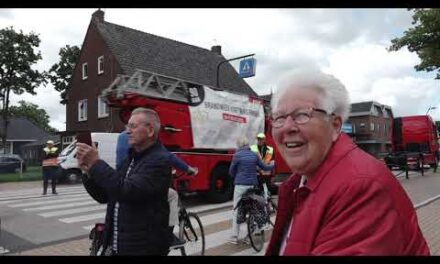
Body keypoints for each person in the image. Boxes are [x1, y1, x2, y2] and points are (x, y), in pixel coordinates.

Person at [266, 69, 430, 255]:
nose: (287, 127)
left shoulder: (362, 188)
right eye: (279, 117)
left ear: (335, 125)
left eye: (302, 115)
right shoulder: (300, 182)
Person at [76, 107, 172, 255]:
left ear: (150, 130)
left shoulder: (159, 160)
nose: (128, 131)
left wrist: (96, 163)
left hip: (143, 248)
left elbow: (127, 191)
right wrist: (88, 171)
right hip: (118, 246)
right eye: (127, 126)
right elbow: (105, 195)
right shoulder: (130, 159)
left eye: (133, 126)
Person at [115, 129, 197, 250]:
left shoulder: (121, 136)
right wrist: (189, 169)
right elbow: (169, 157)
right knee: (172, 195)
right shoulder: (148, 138)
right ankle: (169, 236)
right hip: (136, 183)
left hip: (122, 181)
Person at [228, 136, 274, 245]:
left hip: (240, 186)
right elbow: (264, 167)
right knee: (255, 208)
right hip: (252, 185)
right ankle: (252, 233)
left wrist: (237, 176)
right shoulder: (254, 155)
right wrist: (272, 165)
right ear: (248, 145)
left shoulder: (237, 155)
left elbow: (231, 171)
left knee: (236, 209)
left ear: (238, 145)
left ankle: (234, 236)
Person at [250, 132, 274, 200]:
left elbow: (272, 162)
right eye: (258, 139)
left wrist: (273, 174)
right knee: (258, 191)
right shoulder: (252, 148)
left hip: (267, 174)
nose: (260, 141)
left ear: (264, 140)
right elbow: (250, 161)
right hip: (256, 173)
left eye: (261, 139)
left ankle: (269, 205)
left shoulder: (270, 149)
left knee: (268, 192)